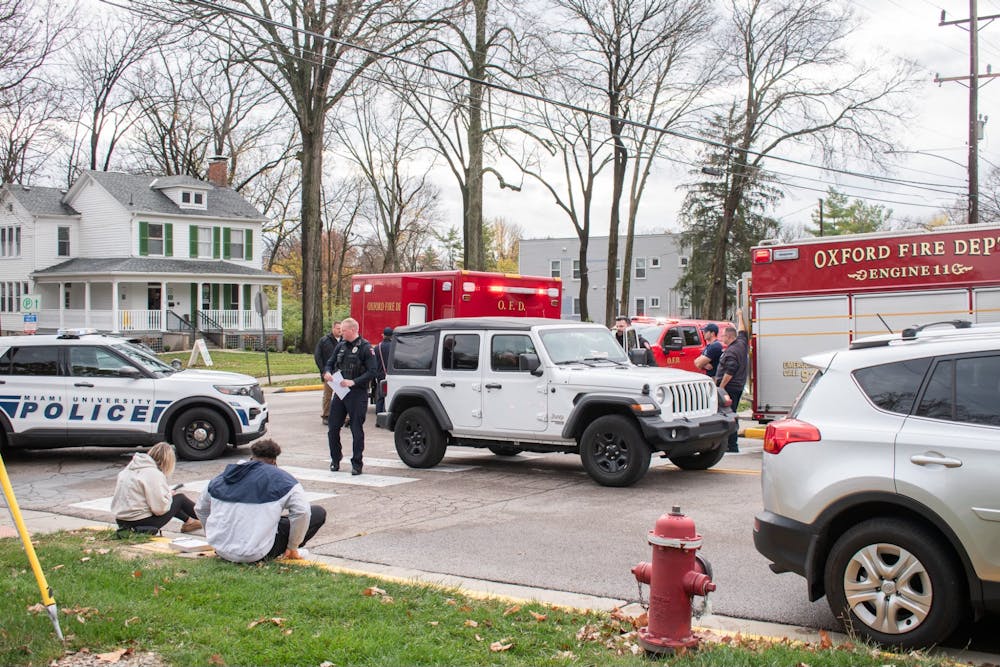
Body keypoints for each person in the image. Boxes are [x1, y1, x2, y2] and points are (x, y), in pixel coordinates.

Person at [194, 438, 326, 563]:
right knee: (318, 513)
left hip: (221, 550)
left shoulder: (222, 477)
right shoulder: (283, 479)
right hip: (257, 553)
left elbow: (200, 508)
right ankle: (289, 551)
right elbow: (302, 512)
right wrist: (293, 546)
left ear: (251, 457)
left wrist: (217, 537)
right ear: (274, 462)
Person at [323, 317, 378, 475]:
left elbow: (372, 371)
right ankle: (335, 458)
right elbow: (330, 362)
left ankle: (357, 463)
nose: (341, 333)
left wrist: (353, 382)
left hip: (357, 393)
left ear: (353, 330)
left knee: (356, 429)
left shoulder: (365, 348)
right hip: (340, 392)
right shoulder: (340, 346)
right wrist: (327, 372)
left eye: (344, 331)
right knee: (333, 428)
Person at [111, 442, 202, 534]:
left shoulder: (128, 470)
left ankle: (190, 522)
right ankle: (210, 518)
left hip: (122, 522)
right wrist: (168, 496)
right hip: (140, 523)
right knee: (180, 499)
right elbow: (160, 509)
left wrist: (168, 496)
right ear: (167, 461)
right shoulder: (154, 474)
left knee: (172, 501)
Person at [715, 310, 749, 453]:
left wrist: (721, 388)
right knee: (732, 414)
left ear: (729, 336)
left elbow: (730, 371)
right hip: (739, 386)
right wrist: (740, 316)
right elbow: (742, 331)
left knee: (729, 415)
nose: (721, 337)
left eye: (723, 335)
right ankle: (731, 444)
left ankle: (732, 445)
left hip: (730, 388)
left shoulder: (732, 351)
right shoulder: (741, 343)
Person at [314, 321, 342, 425]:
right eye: (338, 328)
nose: (340, 331)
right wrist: (323, 371)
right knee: (327, 395)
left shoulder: (344, 341)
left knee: (342, 395)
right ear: (333, 329)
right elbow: (318, 356)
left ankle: (343, 416)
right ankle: (326, 415)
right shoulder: (324, 341)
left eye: (341, 329)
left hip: (341, 373)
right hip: (329, 373)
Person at [374, 327, 393, 413]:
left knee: (380, 397)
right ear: (392, 336)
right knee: (390, 396)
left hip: (380, 375)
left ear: (383, 335)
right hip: (392, 375)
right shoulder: (394, 347)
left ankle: (379, 418)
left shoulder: (377, 347)